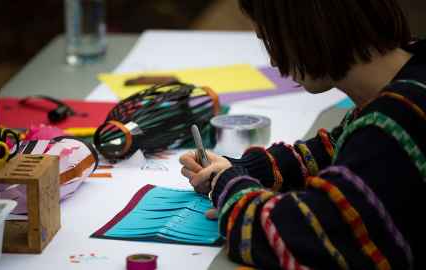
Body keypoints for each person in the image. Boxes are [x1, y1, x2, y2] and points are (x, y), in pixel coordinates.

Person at [180, 0, 425, 269]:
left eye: (272, 40)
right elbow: (338, 149)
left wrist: (229, 189)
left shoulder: (396, 120)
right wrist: (247, 169)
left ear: (308, 29)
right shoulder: (411, 77)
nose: (274, 60)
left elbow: (304, 237)